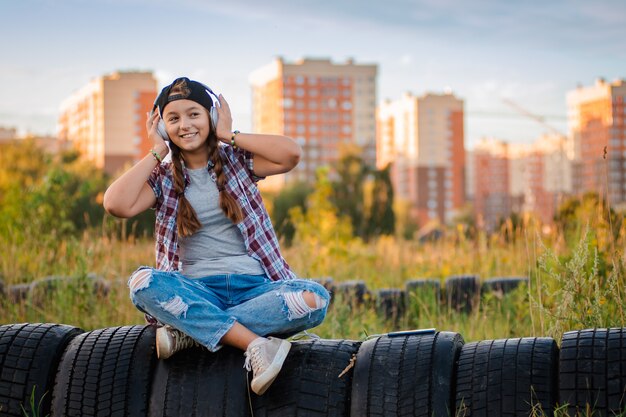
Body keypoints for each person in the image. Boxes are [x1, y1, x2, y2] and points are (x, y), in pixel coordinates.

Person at [103, 77, 330, 395]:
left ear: (210, 117)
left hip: (255, 289)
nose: (185, 125)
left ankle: (192, 331)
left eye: (194, 114)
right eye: (174, 118)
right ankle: (253, 344)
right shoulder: (162, 180)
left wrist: (228, 134)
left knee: (314, 299)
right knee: (142, 284)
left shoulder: (239, 162)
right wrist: (157, 150)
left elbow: (290, 154)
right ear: (164, 127)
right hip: (196, 289)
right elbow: (116, 204)